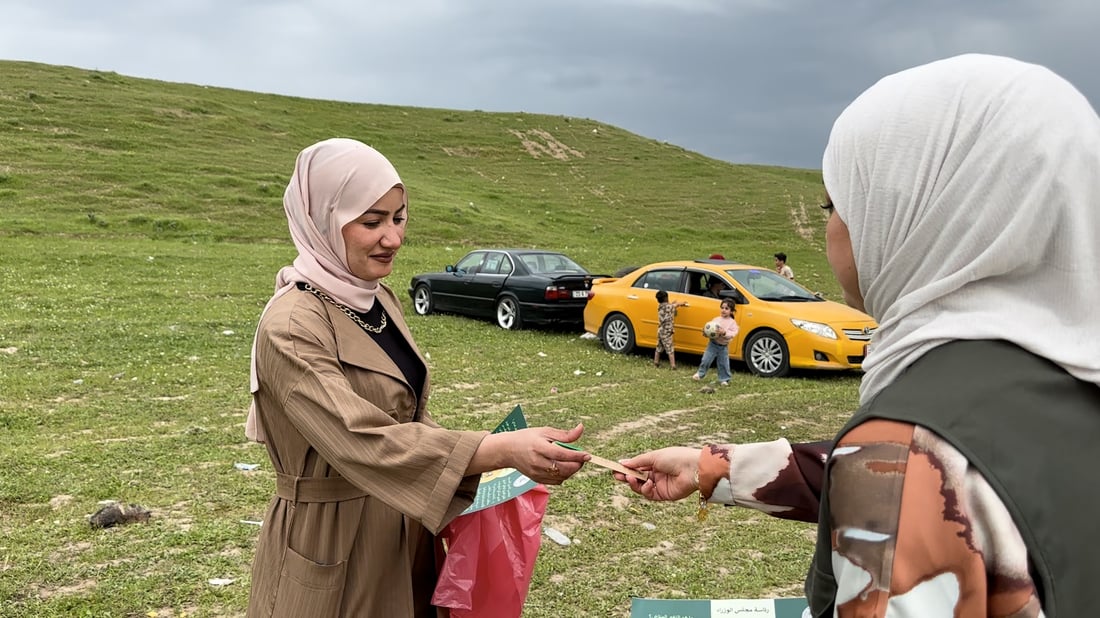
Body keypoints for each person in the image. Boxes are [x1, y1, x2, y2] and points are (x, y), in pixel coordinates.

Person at [615, 54, 1100, 616]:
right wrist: (714, 467)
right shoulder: (1064, 368)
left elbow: (906, 473)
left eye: (836, 205)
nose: (833, 229)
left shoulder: (914, 445)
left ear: (925, 213)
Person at [244, 138, 590, 617]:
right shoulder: (292, 326)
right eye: (372, 222)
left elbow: (408, 415)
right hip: (331, 542)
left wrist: (492, 460)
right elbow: (359, 439)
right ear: (322, 220)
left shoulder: (379, 300)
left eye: (398, 217)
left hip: (405, 528)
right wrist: (498, 449)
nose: (393, 238)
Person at [691, 299, 738, 386]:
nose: (723, 310)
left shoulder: (732, 323)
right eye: (722, 308)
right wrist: (705, 333)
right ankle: (700, 374)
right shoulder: (716, 320)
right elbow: (709, 329)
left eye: (726, 308)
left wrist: (724, 333)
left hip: (723, 346)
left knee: (723, 363)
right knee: (706, 360)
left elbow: (733, 333)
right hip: (712, 344)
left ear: (731, 311)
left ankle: (724, 379)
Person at [653, 289, 687, 369]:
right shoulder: (669, 306)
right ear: (666, 298)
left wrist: (672, 303)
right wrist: (681, 303)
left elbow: (669, 307)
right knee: (670, 348)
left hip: (660, 330)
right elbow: (674, 306)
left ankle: (656, 362)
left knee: (659, 347)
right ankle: (673, 365)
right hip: (667, 331)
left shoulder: (660, 307)